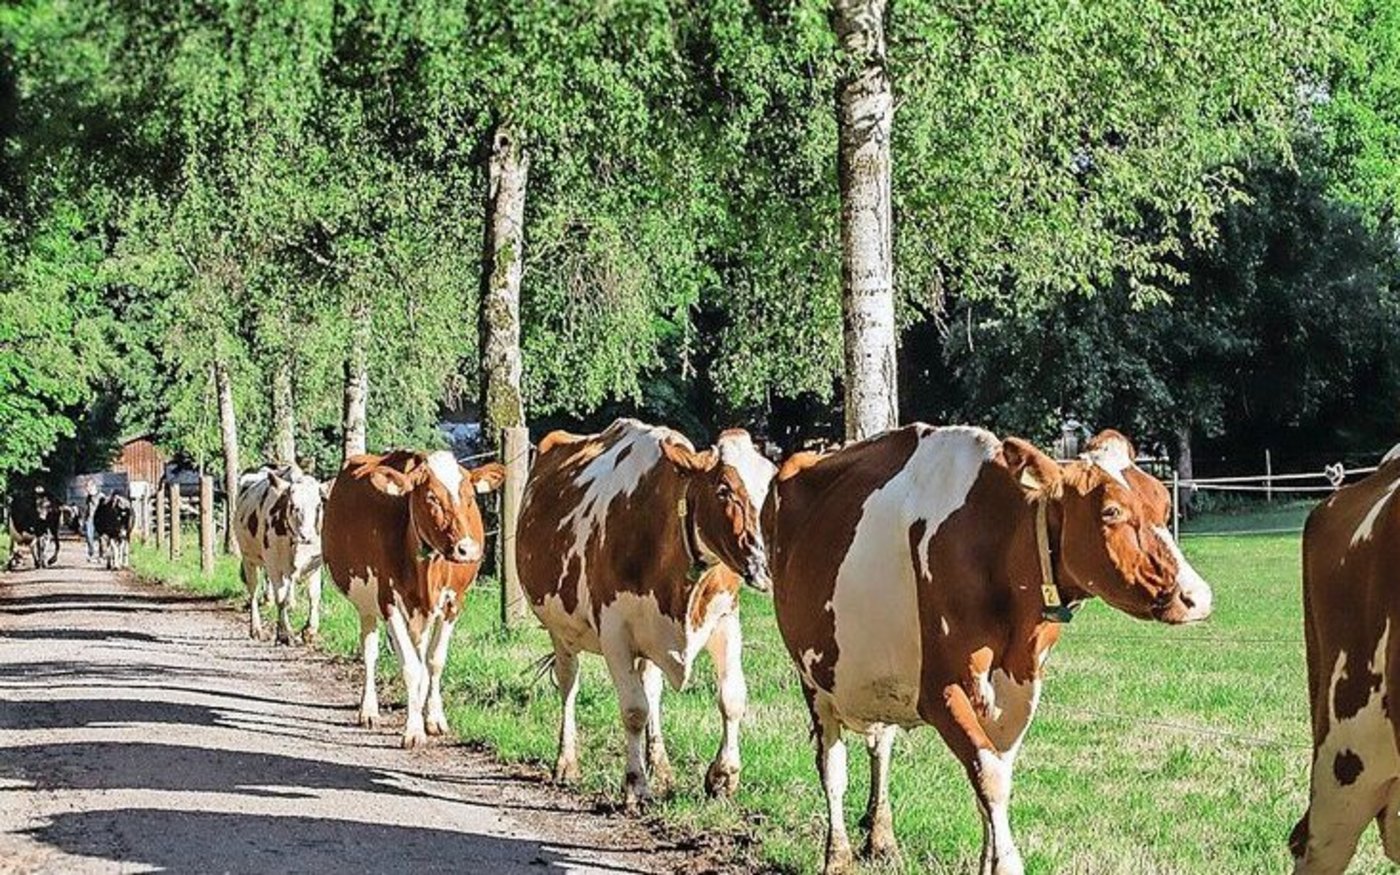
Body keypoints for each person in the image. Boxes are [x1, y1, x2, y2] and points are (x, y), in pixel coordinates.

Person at [83, 481, 101, 563]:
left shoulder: (101, 497)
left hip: (99, 519)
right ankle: (91, 553)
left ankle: (100, 555)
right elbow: (87, 509)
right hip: (89, 519)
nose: (87, 489)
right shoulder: (88, 497)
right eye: (87, 487)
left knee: (101, 538)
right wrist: (84, 519)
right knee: (89, 537)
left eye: (88, 487)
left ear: (93, 486)